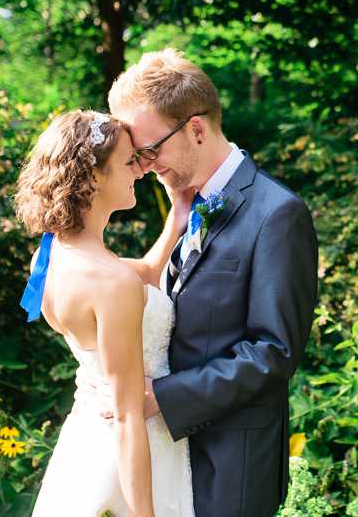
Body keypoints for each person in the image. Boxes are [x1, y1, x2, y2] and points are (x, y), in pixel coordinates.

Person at [95, 48, 320, 517]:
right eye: (138, 155)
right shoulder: (187, 203)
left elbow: (272, 351)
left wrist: (162, 397)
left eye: (150, 149)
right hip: (172, 455)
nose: (146, 164)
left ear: (196, 129)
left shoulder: (276, 213)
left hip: (231, 462)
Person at [15, 110, 195, 517]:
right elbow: (129, 417)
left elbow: (148, 273)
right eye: (131, 160)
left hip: (85, 441)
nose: (141, 171)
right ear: (93, 176)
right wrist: (144, 513)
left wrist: (178, 218)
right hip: (132, 455)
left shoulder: (51, 257)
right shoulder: (111, 283)